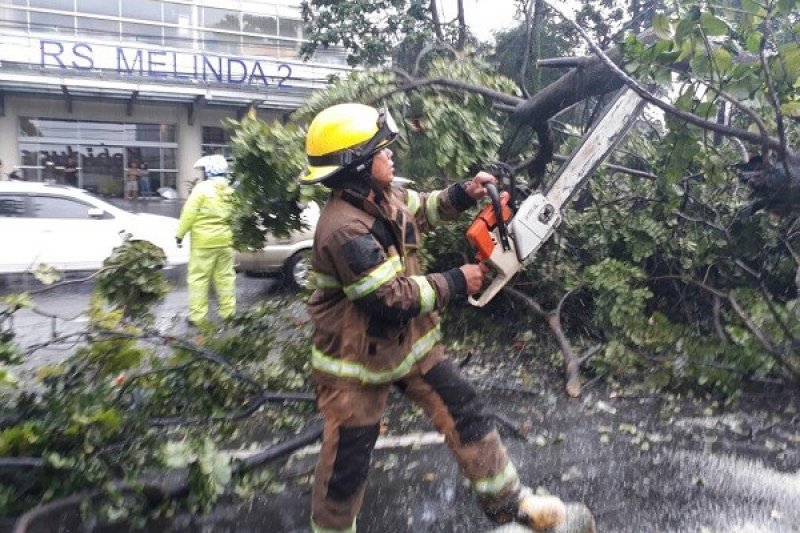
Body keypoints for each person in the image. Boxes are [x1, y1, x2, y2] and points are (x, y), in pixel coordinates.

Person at [301, 103, 596, 533]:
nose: (392, 155)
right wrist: (456, 281)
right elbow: (387, 298)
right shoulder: (343, 227)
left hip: (411, 346)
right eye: (383, 150)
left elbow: (421, 207)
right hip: (355, 366)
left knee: (467, 412)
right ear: (359, 165)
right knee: (348, 462)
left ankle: (513, 507)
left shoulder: (384, 196)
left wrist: (465, 192)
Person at [176, 155, 236, 326]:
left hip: (203, 243)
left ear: (209, 171)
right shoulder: (230, 191)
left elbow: (189, 213)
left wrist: (180, 234)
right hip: (225, 241)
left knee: (199, 279)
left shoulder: (201, 189)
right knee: (225, 278)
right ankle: (228, 313)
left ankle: (197, 317)